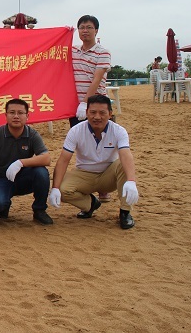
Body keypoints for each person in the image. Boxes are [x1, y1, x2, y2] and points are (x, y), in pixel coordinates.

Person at [49, 95, 140, 230]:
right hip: (84, 174)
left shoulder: (119, 131)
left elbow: (126, 154)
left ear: (110, 114)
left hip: (109, 175)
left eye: (102, 113)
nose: (97, 117)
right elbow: (63, 160)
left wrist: (131, 181)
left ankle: (125, 212)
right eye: (92, 112)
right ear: (87, 113)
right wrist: (55, 188)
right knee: (62, 189)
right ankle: (91, 204)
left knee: (122, 164)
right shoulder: (76, 131)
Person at [0, 98, 53, 225]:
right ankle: (4, 206)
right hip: (0, 177)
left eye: (20, 113)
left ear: (27, 116)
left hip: (23, 177)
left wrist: (21, 163)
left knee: (41, 172)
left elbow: (46, 158)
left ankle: (39, 210)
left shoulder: (32, 134)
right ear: (5, 115)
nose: (16, 116)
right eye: (12, 112)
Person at [71, 15, 112, 202]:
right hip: (76, 108)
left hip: (97, 106)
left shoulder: (103, 52)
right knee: (82, 147)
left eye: (89, 27)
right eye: (81, 27)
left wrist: (85, 103)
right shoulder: (72, 51)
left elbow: (97, 79)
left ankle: (104, 187)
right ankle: (86, 185)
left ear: (96, 30)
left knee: (103, 146)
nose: (85, 31)